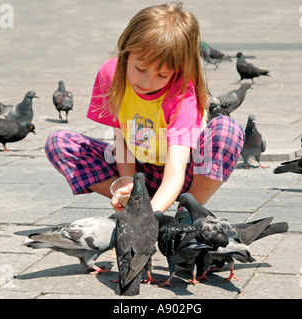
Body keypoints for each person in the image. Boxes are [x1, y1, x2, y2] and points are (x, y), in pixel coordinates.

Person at [44, 2, 244, 213]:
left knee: (227, 130)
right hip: (140, 167)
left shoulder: (182, 95)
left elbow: (175, 172)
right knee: (59, 142)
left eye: (162, 74)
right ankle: (135, 204)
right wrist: (128, 182)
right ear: (126, 52)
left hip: (185, 173)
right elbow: (120, 139)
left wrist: (149, 218)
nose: (147, 82)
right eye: (140, 68)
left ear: (177, 70)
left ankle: (188, 212)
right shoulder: (111, 75)